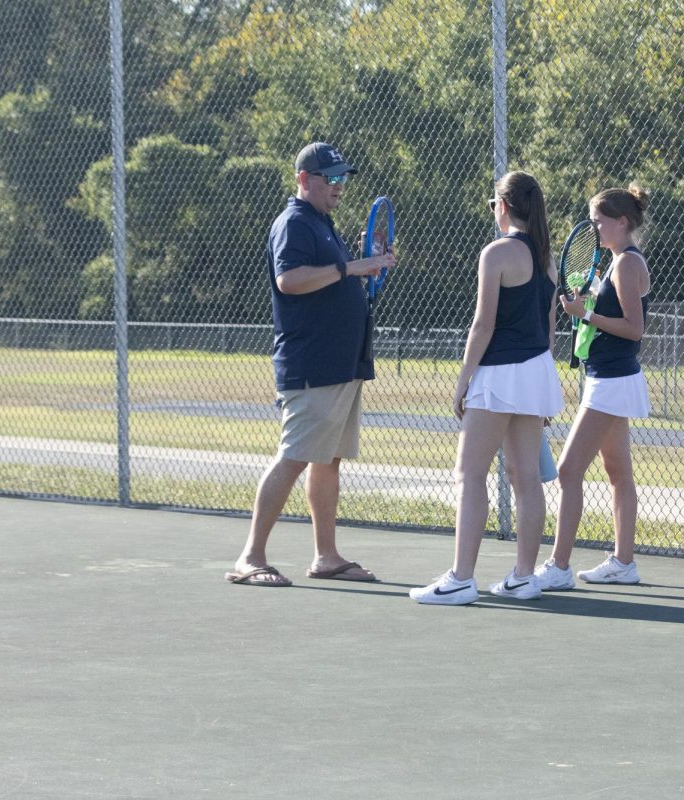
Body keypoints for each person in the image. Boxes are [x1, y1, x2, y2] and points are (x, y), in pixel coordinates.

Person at [225, 142, 395, 587]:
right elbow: (290, 280)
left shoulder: (324, 224)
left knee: (329, 460)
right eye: (330, 178)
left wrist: (363, 264)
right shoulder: (295, 224)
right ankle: (250, 557)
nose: (339, 186)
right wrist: (351, 268)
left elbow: (339, 278)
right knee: (295, 457)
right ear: (303, 179)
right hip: (312, 365)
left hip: (343, 365)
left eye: (342, 178)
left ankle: (326, 556)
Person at [410, 171, 564, 605]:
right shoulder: (548, 259)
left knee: (469, 473)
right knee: (526, 477)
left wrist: (463, 381)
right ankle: (523, 577)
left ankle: (461, 579)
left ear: (502, 206)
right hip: (535, 371)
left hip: (499, 375)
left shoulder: (496, 253)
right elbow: (549, 327)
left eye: (493, 205)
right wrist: (540, 384)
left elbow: (483, 324)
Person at [535, 185, 652, 589]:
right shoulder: (617, 262)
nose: (593, 227)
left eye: (598, 220)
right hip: (606, 376)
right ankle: (623, 562)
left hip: (612, 381)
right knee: (618, 471)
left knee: (568, 471)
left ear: (622, 221)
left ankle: (558, 566)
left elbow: (634, 330)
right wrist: (585, 309)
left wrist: (586, 313)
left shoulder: (626, 264)